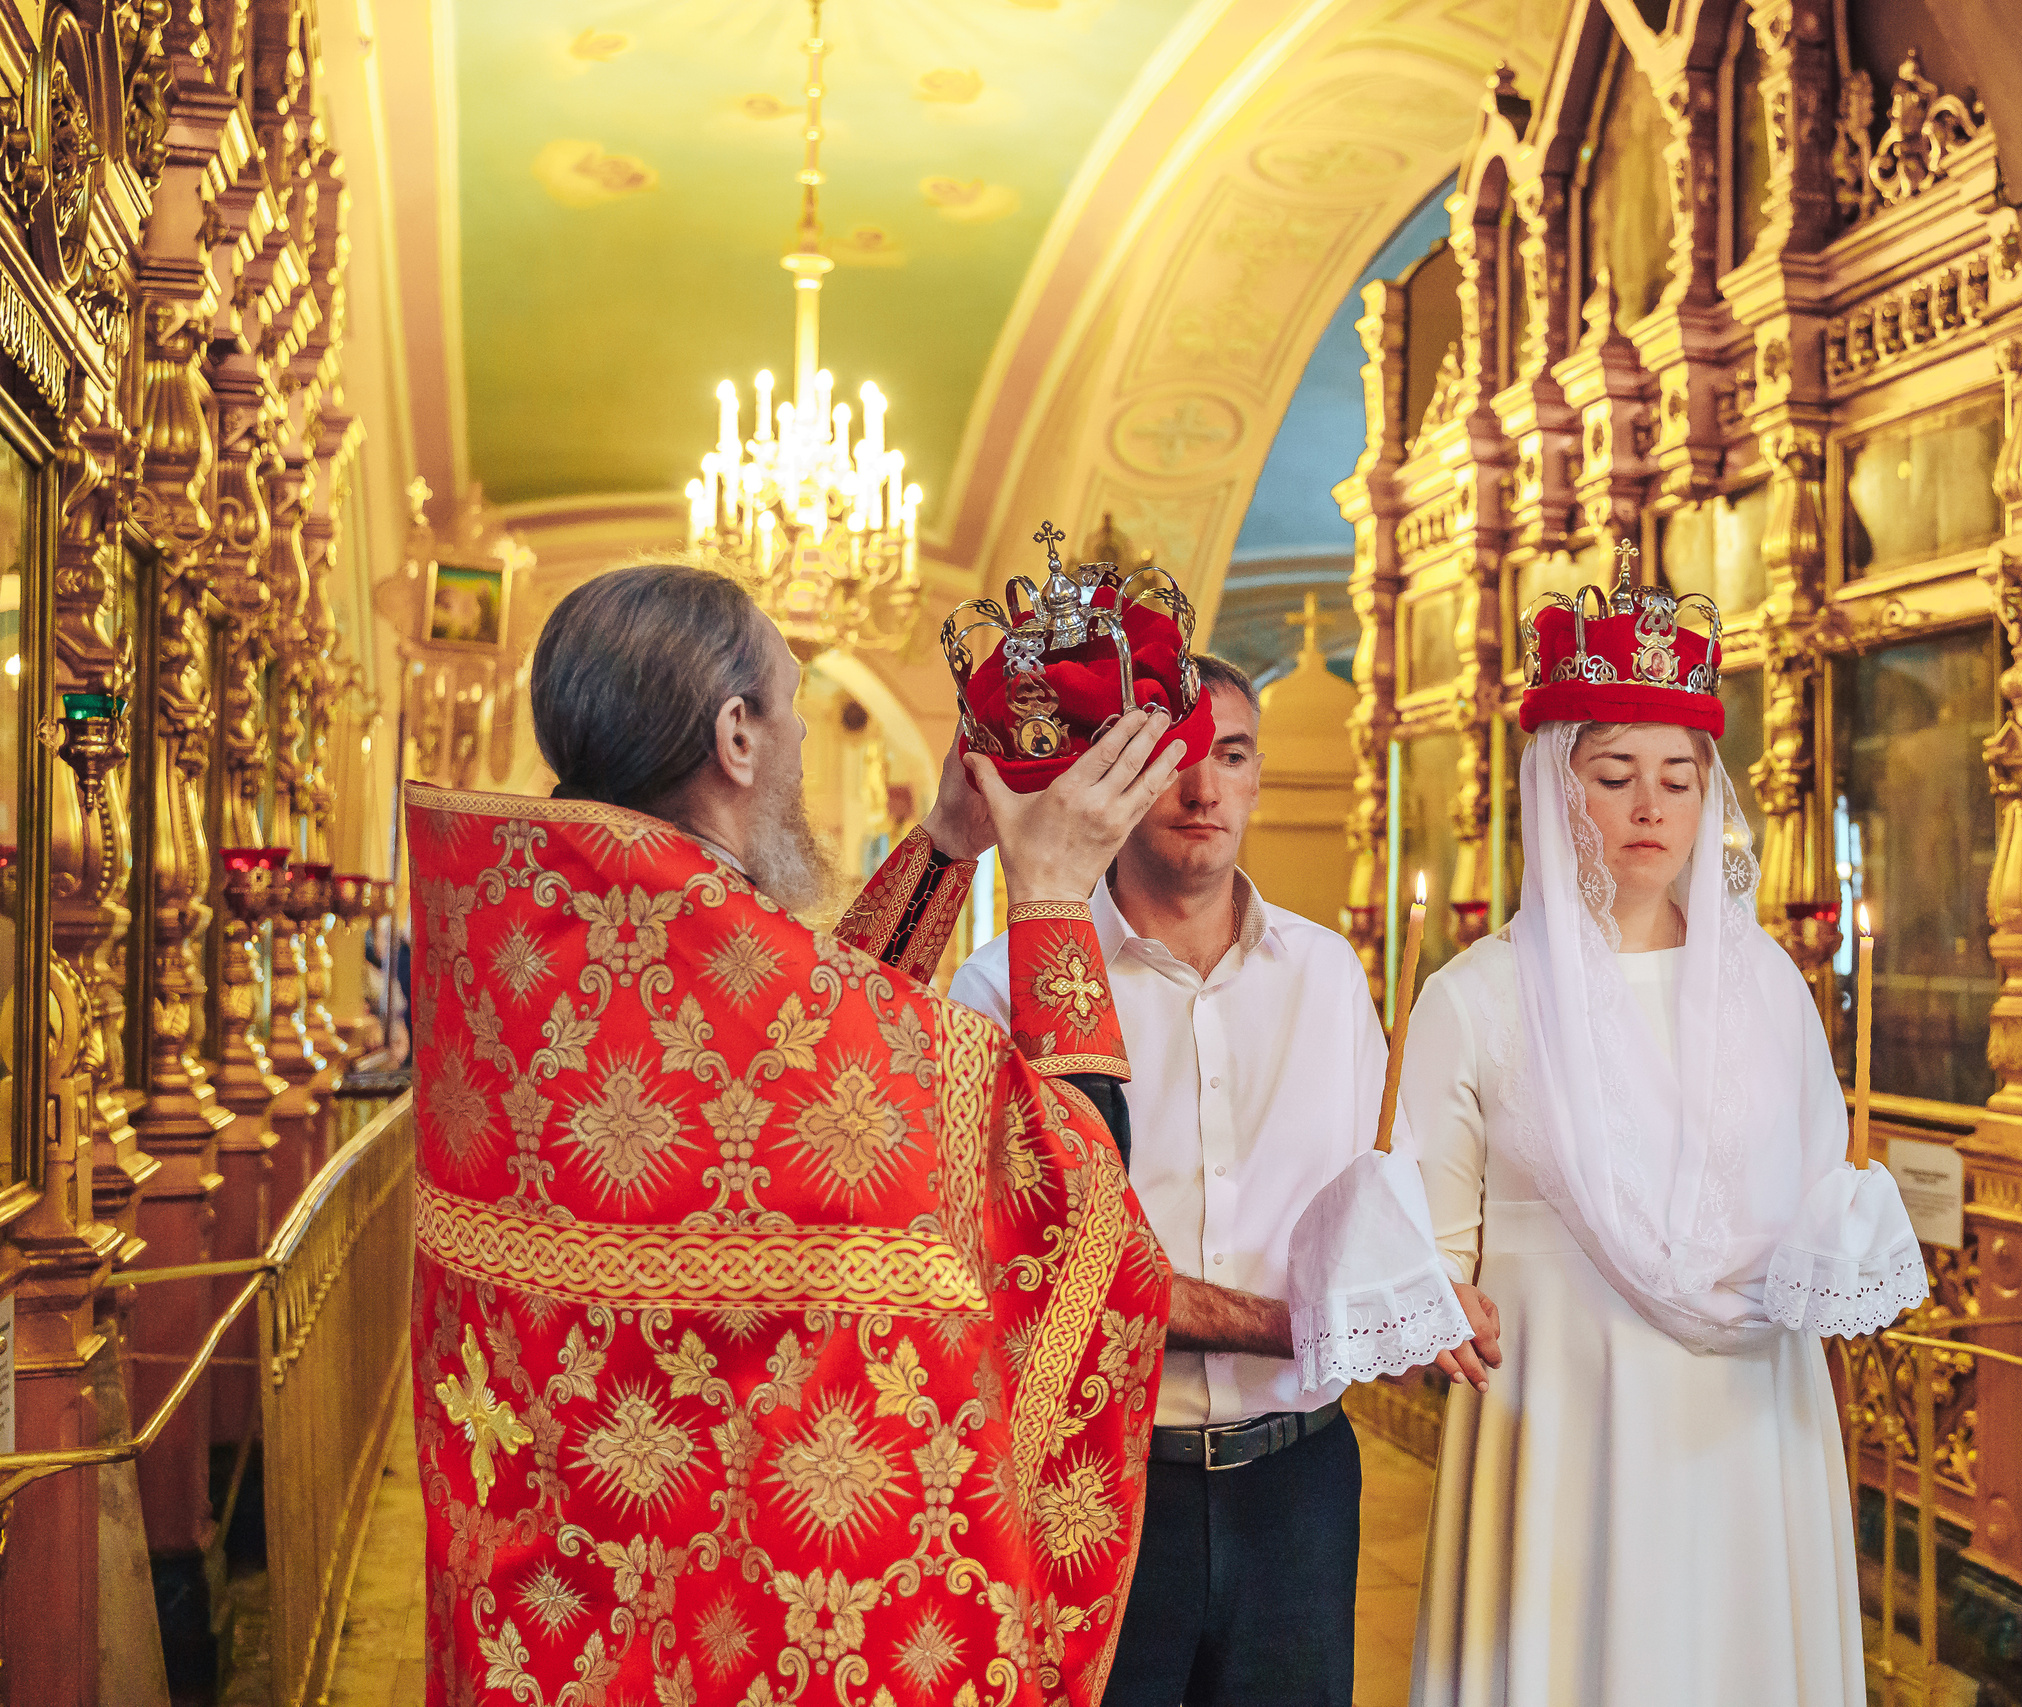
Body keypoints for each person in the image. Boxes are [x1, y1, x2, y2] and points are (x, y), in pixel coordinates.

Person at [406, 563, 1189, 1707]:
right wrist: (1056, 893)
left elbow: (804, 1056)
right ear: (735, 734)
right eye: (793, 710)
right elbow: (1067, 1181)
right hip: (754, 1632)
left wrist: (945, 845)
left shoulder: (506, 981)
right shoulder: (783, 1014)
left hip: (555, 1627)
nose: (803, 751)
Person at [1401, 573, 1925, 1705]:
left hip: (1746, 1421)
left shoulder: (1764, 987)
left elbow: (1807, 1184)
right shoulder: (1477, 998)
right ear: (1556, 790)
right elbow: (1432, 1253)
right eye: (1614, 776)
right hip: (1565, 1419)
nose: (1649, 809)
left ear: (1706, 799)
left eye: (1677, 780)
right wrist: (1434, 1298)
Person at [940, 654, 1465, 1707]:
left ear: (1259, 778)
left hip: (1298, 1480)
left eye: (1230, 756)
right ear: (1115, 780)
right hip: (1105, 1486)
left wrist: (1425, 1299)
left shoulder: (1326, 974)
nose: (1202, 789)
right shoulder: (1006, 985)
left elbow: (1379, 1198)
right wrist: (1289, 1324)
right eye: (1172, 759)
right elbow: (1019, 1268)